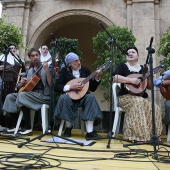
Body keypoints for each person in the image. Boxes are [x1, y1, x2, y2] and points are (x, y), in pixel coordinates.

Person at [112, 46, 163, 142]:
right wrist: (130, 80)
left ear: (138, 55)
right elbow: (115, 78)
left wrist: (149, 78)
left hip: (141, 98)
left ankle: (153, 136)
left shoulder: (143, 69)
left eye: (133, 52)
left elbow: (149, 87)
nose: (130, 53)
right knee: (138, 102)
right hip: (125, 97)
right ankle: (137, 136)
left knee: (155, 107)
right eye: (128, 52)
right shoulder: (122, 67)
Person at [2, 48, 52, 135]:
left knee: (23, 95)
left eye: (37, 55)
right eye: (33, 56)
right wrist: (21, 83)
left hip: (43, 96)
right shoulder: (29, 71)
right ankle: (15, 125)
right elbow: (18, 87)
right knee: (10, 97)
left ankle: (28, 127)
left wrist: (47, 70)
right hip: (30, 94)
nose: (35, 57)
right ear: (30, 58)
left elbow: (51, 84)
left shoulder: (47, 67)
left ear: (39, 56)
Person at [53, 52, 103, 139]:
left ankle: (90, 132)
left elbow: (92, 88)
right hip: (70, 98)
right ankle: (68, 127)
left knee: (91, 97)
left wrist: (97, 78)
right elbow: (57, 87)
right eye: (75, 61)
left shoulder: (85, 70)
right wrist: (71, 87)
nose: (79, 62)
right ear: (70, 63)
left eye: (79, 60)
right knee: (64, 97)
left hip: (84, 98)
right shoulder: (65, 71)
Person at [0, 44, 26, 131]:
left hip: (16, 84)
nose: (13, 49)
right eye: (11, 48)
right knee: (4, 102)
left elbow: (24, 71)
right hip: (5, 83)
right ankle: (5, 124)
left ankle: (14, 124)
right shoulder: (2, 57)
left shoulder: (19, 59)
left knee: (14, 102)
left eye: (14, 48)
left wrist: (22, 74)